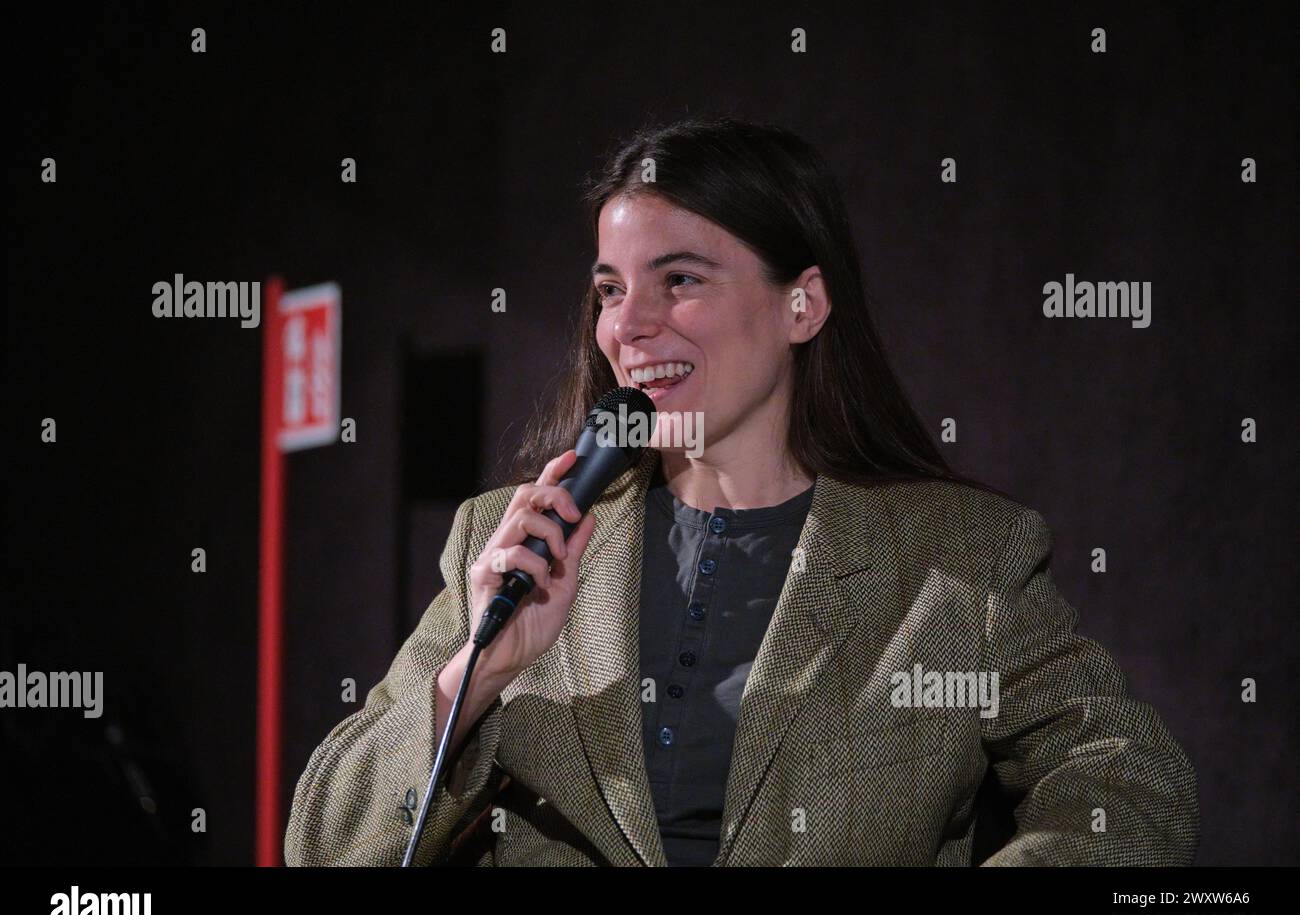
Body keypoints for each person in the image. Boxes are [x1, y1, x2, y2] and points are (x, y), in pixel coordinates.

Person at [284, 117, 1199, 866]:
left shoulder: (957, 556)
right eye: (610, 289)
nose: (629, 325)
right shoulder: (514, 540)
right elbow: (324, 846)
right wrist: (478, 671)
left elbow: (1130, 781)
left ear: (803, 304)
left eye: (679, 280)